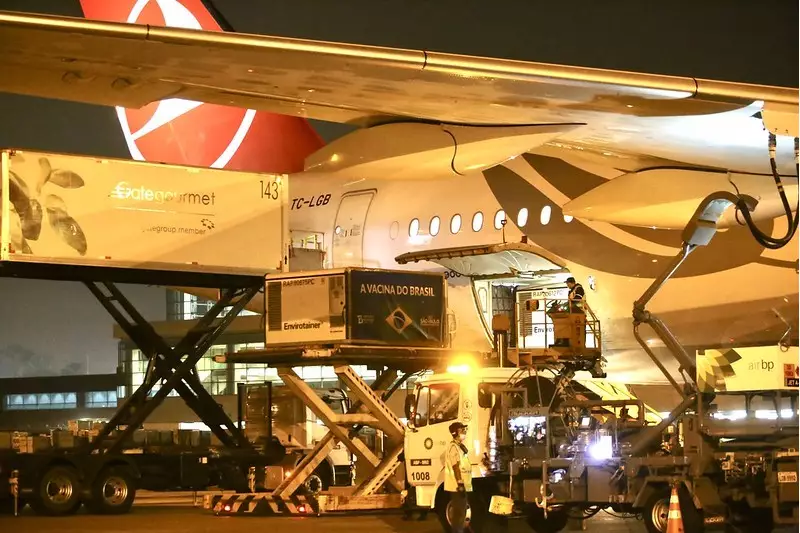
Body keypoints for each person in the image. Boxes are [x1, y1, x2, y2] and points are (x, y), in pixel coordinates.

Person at [444, 421, 472, 533]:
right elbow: (455, 467)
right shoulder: (453, 447)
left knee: (461, 512)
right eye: (461, 430)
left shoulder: (459, 446)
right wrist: (460, 483)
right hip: (456, 486)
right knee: (459, 514)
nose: (464, 432)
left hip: (462, 485)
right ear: (455, 433)